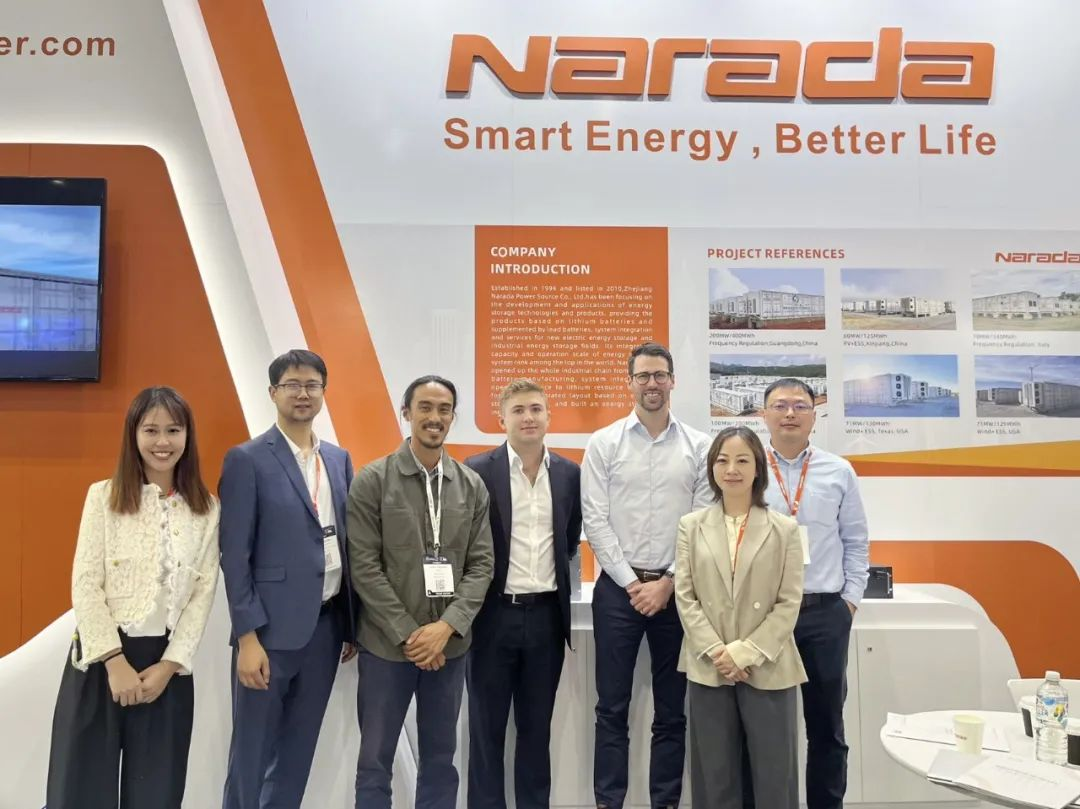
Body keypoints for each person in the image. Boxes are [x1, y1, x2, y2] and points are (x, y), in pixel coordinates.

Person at [46, 386, 220, 809]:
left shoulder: (206, 509)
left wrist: (169, 666)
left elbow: (202, 594)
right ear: (133, 434)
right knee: (81, 790)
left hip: (166, 670)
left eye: (173, 430)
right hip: (100, 662)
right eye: (151, 430)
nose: (163, 442)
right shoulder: (103, 497)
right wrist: (114, 661)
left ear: (187, 436)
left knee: (156, 793)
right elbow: (86, 583)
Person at [348, 375, 494, 809]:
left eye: (444, 409)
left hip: (449, 649)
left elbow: (481, 565)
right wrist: (412, 635)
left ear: (452, 417)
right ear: (406, 413)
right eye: (425, 407)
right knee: (375, 761)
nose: (435, 417)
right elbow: (364, 567)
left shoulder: (471, 485)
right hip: (386, 648)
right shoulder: (372, 480)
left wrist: (444, 629)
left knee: (441, 760)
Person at [220, 349, 357, 809]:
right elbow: (234, 556)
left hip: (326, 629)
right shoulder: (247, 459)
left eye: (312, 385)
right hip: (269, 634)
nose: (303, 394)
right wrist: (248, 637)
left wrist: (350, 624)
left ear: (323, 392)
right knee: (252, 754)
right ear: (273, 392)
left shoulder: (338, 459)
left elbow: (346, 542)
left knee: (297, 754)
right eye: (292, 385)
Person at [581, 342, 712, 809]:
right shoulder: (604, 443)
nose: (652, 383)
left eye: (659, 375)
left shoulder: (700, 446)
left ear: (672, 381)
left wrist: (668, 582)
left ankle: (666, 803)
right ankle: (608, 802)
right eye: (643, 376)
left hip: (678, 592)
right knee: (611, 708)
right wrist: (632, 583)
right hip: (618, 592)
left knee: (672, 711)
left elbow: (702, 519)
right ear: (630, 382)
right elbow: (595, 519)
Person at [464, 379, 583, 809]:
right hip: (492, 617)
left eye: (536, 409)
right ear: (502, 420)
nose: (528, 417)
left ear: (549, 417)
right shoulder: (477, 470)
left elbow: (569, 539)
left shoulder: (569, 474)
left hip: (547, 618)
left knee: (536, 732)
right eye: (518, 410)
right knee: (486, 732)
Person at [675, 425, 806, 809]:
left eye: (742, 460)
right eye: (722, 460)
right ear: (712, 468)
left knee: (774, 779)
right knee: (714, 779)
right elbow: (685, 597)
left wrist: (744, 653)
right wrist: (719, 652)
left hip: (768, 665)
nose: (731, 469)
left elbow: (789, 602)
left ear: (758, 468)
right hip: (710, 665)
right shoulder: (691, 526)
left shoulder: (784, 529)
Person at [760, 378, 869, 809]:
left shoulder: (838, 471)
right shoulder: (747, 468)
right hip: (764, 615)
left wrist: (849, 601)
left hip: (824, 613)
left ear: (814, 416)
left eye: (800, 406)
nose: (790, 413)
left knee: (826, 727)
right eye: (780, 405)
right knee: (766, 728)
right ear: (763, 415)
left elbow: (856, 540)